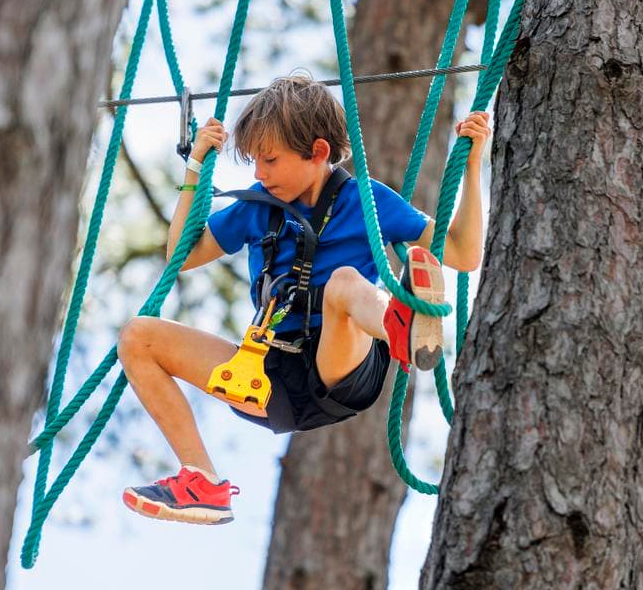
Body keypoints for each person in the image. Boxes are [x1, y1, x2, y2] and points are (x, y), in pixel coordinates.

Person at [118, 75, 491, 525]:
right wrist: (195, 167)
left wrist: (473, 167)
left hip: (342, 367)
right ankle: (202, 481)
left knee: (345, 283)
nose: (259, 174)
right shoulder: (259, 207)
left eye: (270, 160)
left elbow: (463, 253)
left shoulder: (368, 201)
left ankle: (400, 326)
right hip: (270, 380)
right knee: (139, 337)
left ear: (317, 153)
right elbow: (183, 255)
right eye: (256, 161)